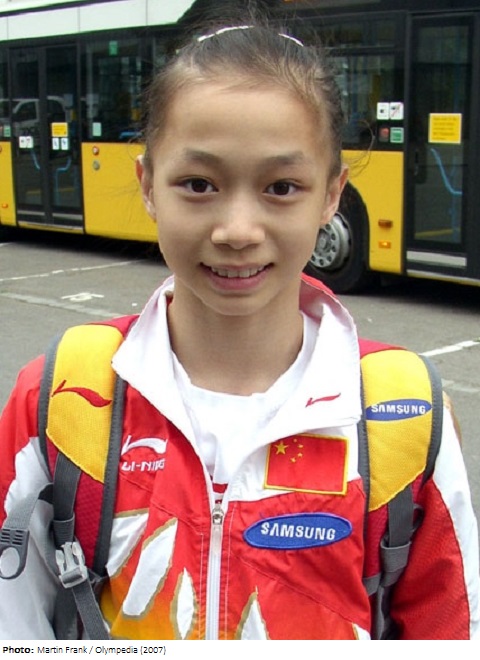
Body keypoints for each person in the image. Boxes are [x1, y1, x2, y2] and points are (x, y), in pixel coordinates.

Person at [0, 19, 479, 641]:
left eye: (282, 187)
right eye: (199, 184)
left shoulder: (404, 415)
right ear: (148, 185)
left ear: (332, 193)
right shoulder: (63, 395)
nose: (237, 230)